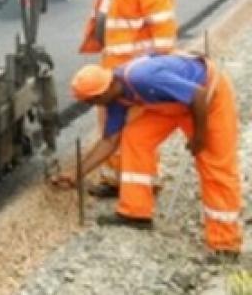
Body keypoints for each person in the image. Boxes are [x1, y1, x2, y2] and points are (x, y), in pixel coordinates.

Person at [49, 55, 242, 257]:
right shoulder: (115, 97)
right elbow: (109, 141)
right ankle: (136, 212)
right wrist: (76, 173)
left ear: (106, 89)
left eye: (92, 100)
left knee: (216, 165)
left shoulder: (142, 78)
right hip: (173, 103)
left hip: (208, 98)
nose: (93, 105)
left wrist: (200, 137)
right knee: (135, 138)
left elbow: (198, 96)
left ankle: (225, 244)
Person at [73, 0, 177, 197]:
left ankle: (143, 183)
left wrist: (148, 73)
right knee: (110, 124)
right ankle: (115, 179)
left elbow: (164, 36)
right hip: (113, 67)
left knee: (134, 129)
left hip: (133, 72)